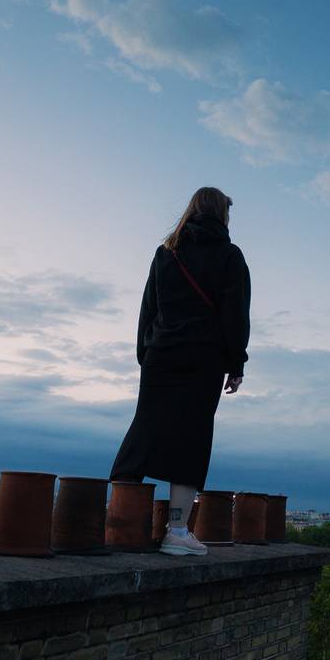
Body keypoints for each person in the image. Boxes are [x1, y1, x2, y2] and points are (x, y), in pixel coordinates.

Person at [112, 187, 250, 557]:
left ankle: (119, 521)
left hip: (160, 355)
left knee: (144, 429)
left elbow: (148, 310)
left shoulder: (165, 253)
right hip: (203, 360)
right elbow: (234, 315)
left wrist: (147, 353)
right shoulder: (230, 257)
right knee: (192, 440)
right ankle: (176, 530)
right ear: (223, 215)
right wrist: (236, 365)